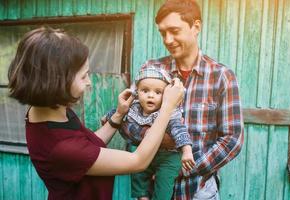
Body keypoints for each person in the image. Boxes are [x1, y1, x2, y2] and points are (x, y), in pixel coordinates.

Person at [7, 26, 184, 200]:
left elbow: (89, 147)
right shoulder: (62, 149)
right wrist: (167, 107)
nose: (89, 82)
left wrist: (118, 115)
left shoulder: (49, 109)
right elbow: (138, 161)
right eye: (83, 76)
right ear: (57, 81)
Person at [139, 0, 244, 199]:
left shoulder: (221, 76)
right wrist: (154, 138)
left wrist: (183, 169)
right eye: (163, 33)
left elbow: (232, 139)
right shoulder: (152, 71)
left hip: (199, 190)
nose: (168, 40)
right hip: (154, 190)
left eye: (174, 31)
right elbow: (129, 123)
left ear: (196, 27)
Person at [103, 66, 195, 200]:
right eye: (145, 90)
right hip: (145, 153)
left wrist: (187, 151)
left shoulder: (170, 112)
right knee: (136, 172)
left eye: (158, 92)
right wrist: (107, 118)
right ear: (137, 92)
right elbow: (119, 113)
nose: (151, 95)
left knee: (164, 185)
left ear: (166, 96)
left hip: (168, 157)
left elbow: (180, 131)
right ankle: (142, 196)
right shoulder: (134, 108)